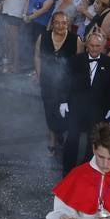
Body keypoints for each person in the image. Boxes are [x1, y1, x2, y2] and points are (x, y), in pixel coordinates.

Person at [61, 32, 110, 172]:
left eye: (98, 46)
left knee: (93, 142)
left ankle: (87, 172)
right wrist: (63, 101)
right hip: (76, 106)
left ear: (103, 46)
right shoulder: (75, 61)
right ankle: (68, 171)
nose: (94, 49)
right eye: (91, 45)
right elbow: (65, 82)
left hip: (98, 109)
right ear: (86, 45)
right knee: (72, 139)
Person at [35, 11, 78, 157]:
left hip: (67, 84)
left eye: (64, 23)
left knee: (65, 112)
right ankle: (52, 140)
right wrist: (39, 74)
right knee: (49, 110)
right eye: (57, 22)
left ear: (68, 24)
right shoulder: (44, 36)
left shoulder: (75, 39)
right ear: (52, 23)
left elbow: (80, 63)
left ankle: (62, 134)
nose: (60, 26)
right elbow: (37, 56)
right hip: (47, 81)